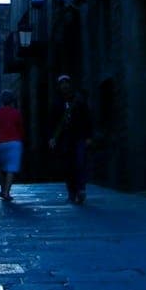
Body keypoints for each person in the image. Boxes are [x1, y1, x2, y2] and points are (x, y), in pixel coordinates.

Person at [48, 74, 92, 204]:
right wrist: (52, 137)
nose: (64, 86)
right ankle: (72, 192)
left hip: (78, 136)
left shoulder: (79, 100)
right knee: (68, 165)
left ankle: (81, 189)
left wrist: (89, 136)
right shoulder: (56, 103)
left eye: (66, 83)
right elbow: (52, 122)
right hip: (64, 139)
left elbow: (87, 118)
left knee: (80, 162)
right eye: (62, 83)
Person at [0, 91, 24, 201]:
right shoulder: (16, 113)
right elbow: (20, 128)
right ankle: (6, 192)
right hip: (14, 143)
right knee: (11, 168)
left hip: (1, 143)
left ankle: (2, 189)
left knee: (2, 168)